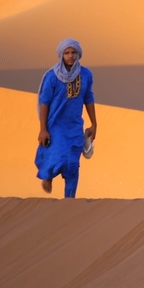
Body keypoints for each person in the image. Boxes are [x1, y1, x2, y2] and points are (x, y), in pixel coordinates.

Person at [35, 38, 97, 198]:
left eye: (73, 53)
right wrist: (43, 129)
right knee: (59, 155)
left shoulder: (86, 74)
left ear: (78, 54)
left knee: (73, 164)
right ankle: (48, 175)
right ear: (61, 55)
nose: (70, 56)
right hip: (56, 124)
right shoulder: (52, 77)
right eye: (67, 53)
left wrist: (94, 123)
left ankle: (70, 200)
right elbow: (44, 102)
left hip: (75, 125)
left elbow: (88, 98)